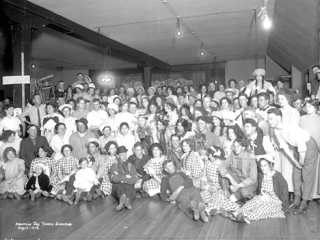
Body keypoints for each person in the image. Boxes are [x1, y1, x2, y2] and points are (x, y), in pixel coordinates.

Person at [267, 108, 320, 214]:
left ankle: (304, 202)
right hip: (297, 149)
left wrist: (300, 162)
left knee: (306, 175)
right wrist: (294, 161)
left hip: (308, 146)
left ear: (279, 118)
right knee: (296, 175)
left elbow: (302, 146)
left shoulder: (289, 127)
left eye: (271, 118)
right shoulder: (276, 129)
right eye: (268, 119)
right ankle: (296, 199)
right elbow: (285, 147)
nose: (269, 121)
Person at [230, 155, 288, 224]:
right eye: (261, 165)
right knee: (250, 204)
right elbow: (259, 189)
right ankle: (236, 214)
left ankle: (245, 217)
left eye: (265, 165)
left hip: (274, 201)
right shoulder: (261, 175)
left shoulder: (277, 176)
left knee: (260, 210)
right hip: (262, 197)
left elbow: (285, 191)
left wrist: (285, 206)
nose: (262, 168)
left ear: (270, 165)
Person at [200, 146, 240, 215]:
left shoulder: (222, 165)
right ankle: (217, 209)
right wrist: (203, 183)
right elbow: (204, 174)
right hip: (209, 185)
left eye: (211, 155)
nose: (209, 157)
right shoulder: (207, 162)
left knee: (218, 198)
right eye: (208, 155)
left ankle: (211, 209)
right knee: (203, 195)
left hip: (220, 188)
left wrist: (217, 187)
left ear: (216, 155)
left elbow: (224, 181)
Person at [110, 146, 138, 211]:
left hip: (128, 184)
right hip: (117, 185)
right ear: (118, 155)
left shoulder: (130, 165)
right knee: (119, 188)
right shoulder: (114, 166)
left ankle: (127, 201)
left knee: (130, 188)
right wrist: (125, 176)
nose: (124, 157)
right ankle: (122, 201)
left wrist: (121, 179)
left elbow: (134, 178)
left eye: (125, 154)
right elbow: (114, 179)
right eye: (122, 155)